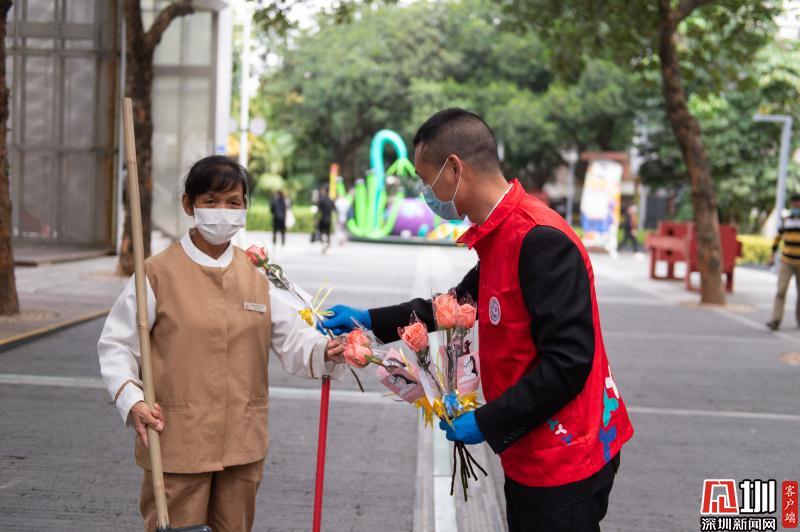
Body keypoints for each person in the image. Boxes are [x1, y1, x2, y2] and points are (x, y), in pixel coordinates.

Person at [322, 109, 633, 532]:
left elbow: (568, 363)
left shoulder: (539, 239)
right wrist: (367, 321)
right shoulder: (501, 234)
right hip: (530, 447)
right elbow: (449, 306)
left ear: (454, 169)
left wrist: (487, 422)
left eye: (426, 179)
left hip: (565, 453)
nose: (426, 193)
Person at [98, 155, 345, 532]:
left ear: (245, 209)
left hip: (242, 441)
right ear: (189, 204)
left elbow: (294, 338)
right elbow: (117, 344)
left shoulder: (260, 275)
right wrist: (133, 400)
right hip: (176, 440)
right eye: (211, 201)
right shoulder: (156, 273)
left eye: (233, 202)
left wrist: (324, 350)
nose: (222, 212)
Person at [767, 193, 800, 331]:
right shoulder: (786, 220)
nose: (796, 205)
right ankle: (776, 319)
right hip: (786, 261)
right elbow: (777, 239)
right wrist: (772, 255)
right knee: (781, 290)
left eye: (798, 203)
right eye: (794, 203)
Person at [316, 186, 335, 252]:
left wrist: (316, 218)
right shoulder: (331, 200)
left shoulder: (321, 200)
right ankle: (327, 244)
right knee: (328, 233)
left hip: (322, 219)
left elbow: (318, 210)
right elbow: (334, 209)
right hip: (329, 219)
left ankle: (323, 244)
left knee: (321, 232)